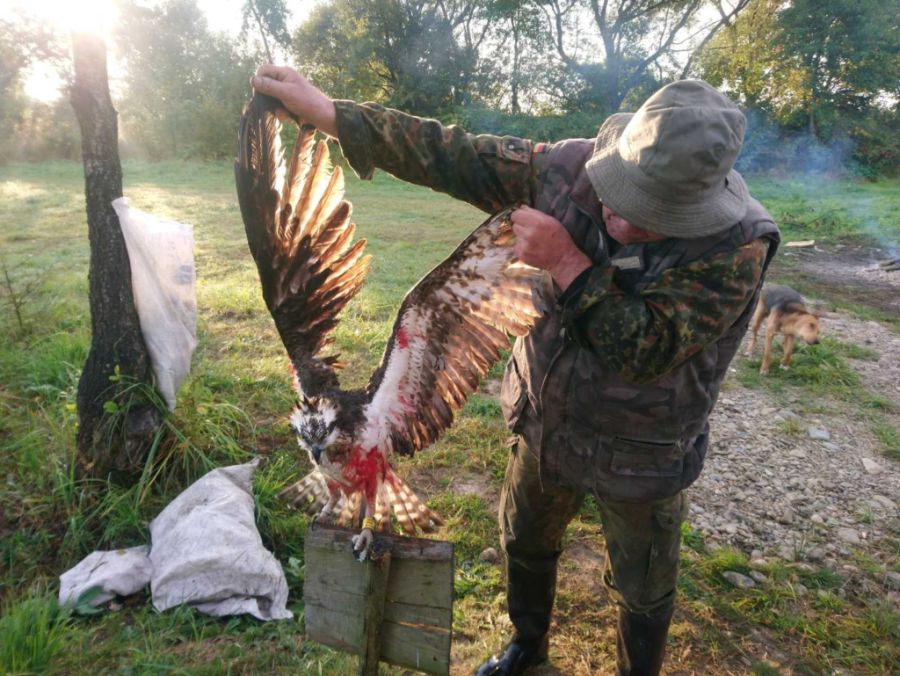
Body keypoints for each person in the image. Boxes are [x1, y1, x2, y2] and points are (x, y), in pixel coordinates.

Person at [251, 65, 780, 675]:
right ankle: (527, 649)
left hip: (644, 448)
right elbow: (456, 156)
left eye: (651, 215)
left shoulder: (735, 244)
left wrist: (567, 262)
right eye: (620, 197)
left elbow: (648, 351)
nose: (624, 221)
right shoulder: (569, 167)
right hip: (545, 422)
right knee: (525, 543)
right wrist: (336, 114)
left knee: (642, 583)